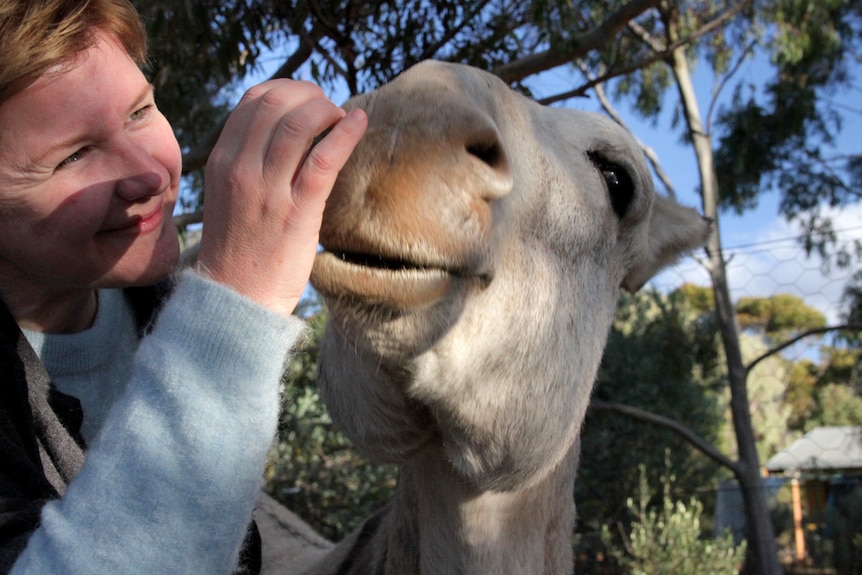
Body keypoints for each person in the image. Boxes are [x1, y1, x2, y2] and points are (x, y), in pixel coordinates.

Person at [0, 0, 367, 573]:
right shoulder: (198, 323)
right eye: (73, 154)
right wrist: (236, 309)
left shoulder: (164, 308)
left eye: (139, 112)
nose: (149, 172)